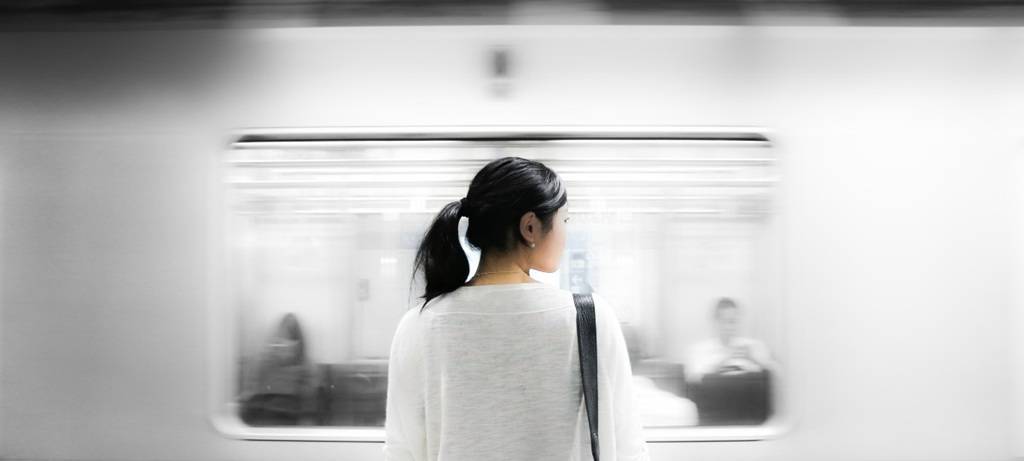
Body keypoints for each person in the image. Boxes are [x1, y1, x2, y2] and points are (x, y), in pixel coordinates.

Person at [383, 156, 650, 461]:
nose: (565, 233)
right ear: (530, 227)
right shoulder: (589, 319)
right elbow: (628, 447)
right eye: (564, 221)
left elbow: (401, 450)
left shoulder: (419, 324)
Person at [240, 313, 315, 426]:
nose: (284, 346)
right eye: (280, 341)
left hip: (291, 422)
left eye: (290, 340)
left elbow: (308, 403)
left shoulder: (306, 367)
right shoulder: (263, 362)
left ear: (297, 344)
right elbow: (251, 392)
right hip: (263, 419)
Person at [684, 297, 776, 383]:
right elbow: (692, 379)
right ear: (715, 322)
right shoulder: (699, 350)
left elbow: (775, 374)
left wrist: (752, 359)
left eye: (733, 322)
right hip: (713, 397)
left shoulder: (752, 346)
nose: (729, 327)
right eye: (724, 321)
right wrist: (725, 359)